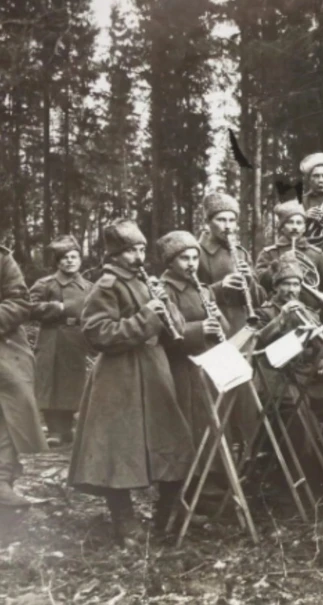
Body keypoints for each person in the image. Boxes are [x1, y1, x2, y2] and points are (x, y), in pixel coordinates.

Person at [68, 220, 194, 545]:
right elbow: (98, 334)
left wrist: (167, 309)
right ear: (115, 254)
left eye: (141, 249)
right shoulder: (106, 285)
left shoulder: (143, 281)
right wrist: (147, 317)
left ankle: (166, 513)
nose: (139, 257)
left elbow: (171, 331)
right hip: (119, 377)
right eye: (131, 251)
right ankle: (125, 523)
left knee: (172, 441)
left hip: (154, 370)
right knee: (118, 451)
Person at [254, 254, 323, 476]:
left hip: (305, 375)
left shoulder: (309, 312)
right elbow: (258, 342)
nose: (292, 290)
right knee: (300, 413)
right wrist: (280, 320)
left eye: (296, 284)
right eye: (286, 284)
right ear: (276, 287)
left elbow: (317, 346)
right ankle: (301, 469)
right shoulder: (263, 312)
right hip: (277, 376)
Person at [196, 193, 267, 444]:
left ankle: (247, 450)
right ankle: (222, 454)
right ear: (208, 222)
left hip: (243, 326)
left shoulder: (240, 252)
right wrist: (220, 286)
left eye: (232, 220)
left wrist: (249, 278)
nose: (227, 226)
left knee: (247, 390)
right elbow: (192, 293)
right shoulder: (198, 252)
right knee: (223, 391)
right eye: (220, 219)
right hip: (218, 327)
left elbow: (258, 297)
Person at [157, 231, 228, 482]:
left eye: (195, 258)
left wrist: (217, 319)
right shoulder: (164, 289)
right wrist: (200, 329)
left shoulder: (203, 288)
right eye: (184, 258)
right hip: (180, 367)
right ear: (170, 262)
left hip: (206, 365)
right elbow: (166, 333)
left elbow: (224, 330)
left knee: (209, 422)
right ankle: (189, 483)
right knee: (187, 425)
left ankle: (211, 477)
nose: (191, 264)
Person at [29, 235, 94, 447]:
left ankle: (67, 428)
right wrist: (55, 308)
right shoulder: (45, 284)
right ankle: (55, 429)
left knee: (73, 382)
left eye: (74, 257)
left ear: (80, 260)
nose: (70, 261)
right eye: (65, 258)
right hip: (52, 336)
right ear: (57, 262)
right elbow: (28, 307)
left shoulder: (88, 287)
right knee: (51, 381)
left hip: (77, 336)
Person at [0, 247, 47, 507]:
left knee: (14, 401)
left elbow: (19, 302)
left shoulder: (3, 259)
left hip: (4, 343)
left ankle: (2, 479)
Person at [256, 200, 323, 317]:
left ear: (304, 227)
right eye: (290, 222)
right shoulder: (269, 253)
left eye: (299, 223)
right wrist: (276, 266)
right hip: (276, 314)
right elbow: (260, 286)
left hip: (311, 314)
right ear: (282, 227)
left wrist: (322, 310)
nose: (295, 227)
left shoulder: (317, 254)